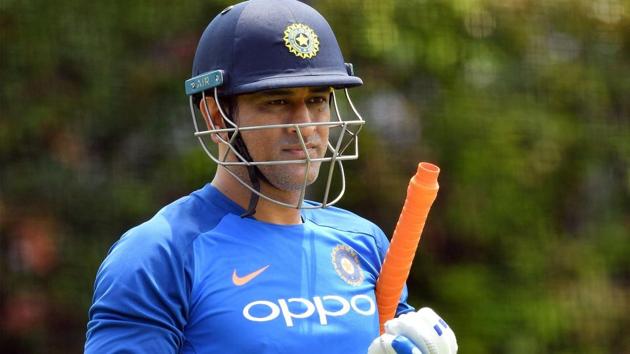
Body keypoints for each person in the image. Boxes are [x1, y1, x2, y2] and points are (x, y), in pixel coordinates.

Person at [85, 1, 458, 353]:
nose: (306, 127)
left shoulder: (365, 243)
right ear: (216, 117)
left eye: (317, 100)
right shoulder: (159, 254)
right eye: (277, 102)